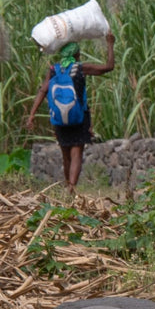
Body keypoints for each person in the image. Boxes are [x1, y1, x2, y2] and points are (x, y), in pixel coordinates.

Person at [25, 33, 115, 193]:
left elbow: (42, 90)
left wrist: (32, 114)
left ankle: (67, 184)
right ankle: (72, 186)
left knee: (65, 152)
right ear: (76, 54)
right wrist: (110, 44)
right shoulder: (80, 68)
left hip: (59, 119)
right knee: (76, 153)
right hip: (79, 117)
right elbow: (108, 67)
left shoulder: (53, 70)